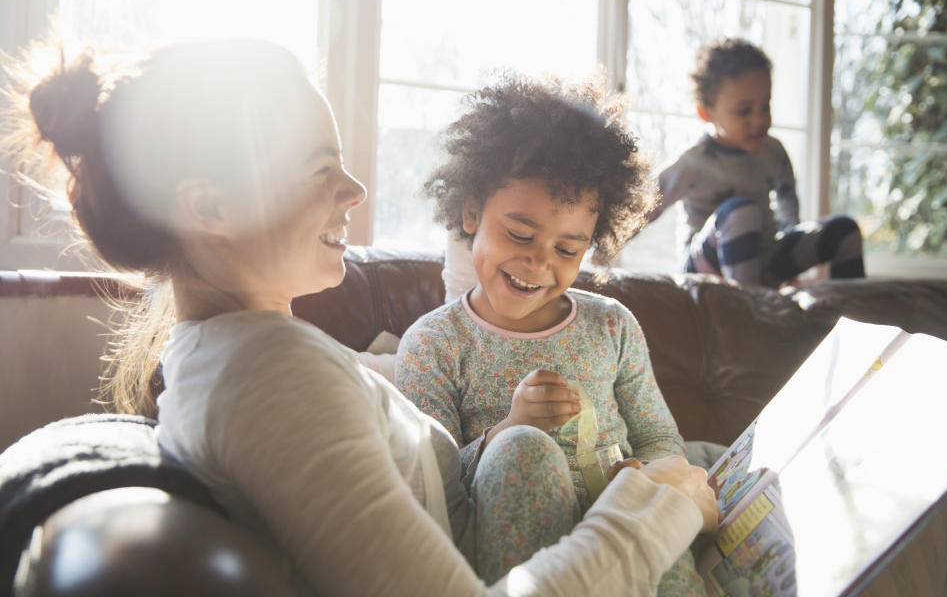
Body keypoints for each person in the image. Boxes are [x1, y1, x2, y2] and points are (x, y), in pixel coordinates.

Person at [2, 37, 719, 595]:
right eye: (320, 170)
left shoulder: (250, 355)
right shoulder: (268, 380)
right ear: (210, 209)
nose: (355, 188)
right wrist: (660, 510)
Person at [396, 71, 711, 594]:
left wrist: (644, 472)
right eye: (520, 234)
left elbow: (659, 438)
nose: (539, 262)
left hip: (625, 539)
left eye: (568, 250)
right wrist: (508, 429)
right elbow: (432, 485)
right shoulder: (435, 344)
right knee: (524, 447)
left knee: (653, 492)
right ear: (471, 213)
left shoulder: (611, 325)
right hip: (521, 550)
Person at [643, 38, 865, 287]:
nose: (759, 120)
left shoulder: (773, 151)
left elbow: (788, 204)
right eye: (744, 111)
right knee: (741, 212)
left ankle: (852, 316)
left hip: (764, 261)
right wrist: (602, 250)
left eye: (765, 106)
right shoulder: (693, 162)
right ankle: (750, 311)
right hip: (707, 272)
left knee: (844, 230)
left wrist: (790, 258)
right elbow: (643, 208)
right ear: (706, 112)